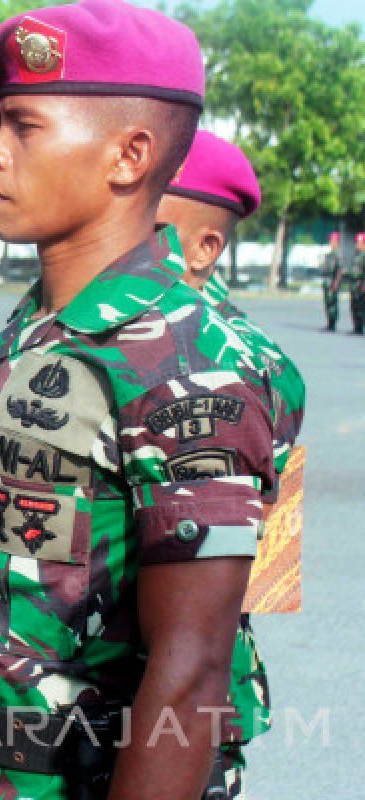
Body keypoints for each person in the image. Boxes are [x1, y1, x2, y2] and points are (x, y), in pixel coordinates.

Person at [0, 2, 278, 798]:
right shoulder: (43, 324)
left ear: (128, 155)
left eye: (24, 127)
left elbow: (191, 672)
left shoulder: (189, 367)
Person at [158, 128, 307, 796]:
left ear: (203, 247)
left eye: (151, 227)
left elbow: (264, 571)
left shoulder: (244, 364)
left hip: (176, 693)